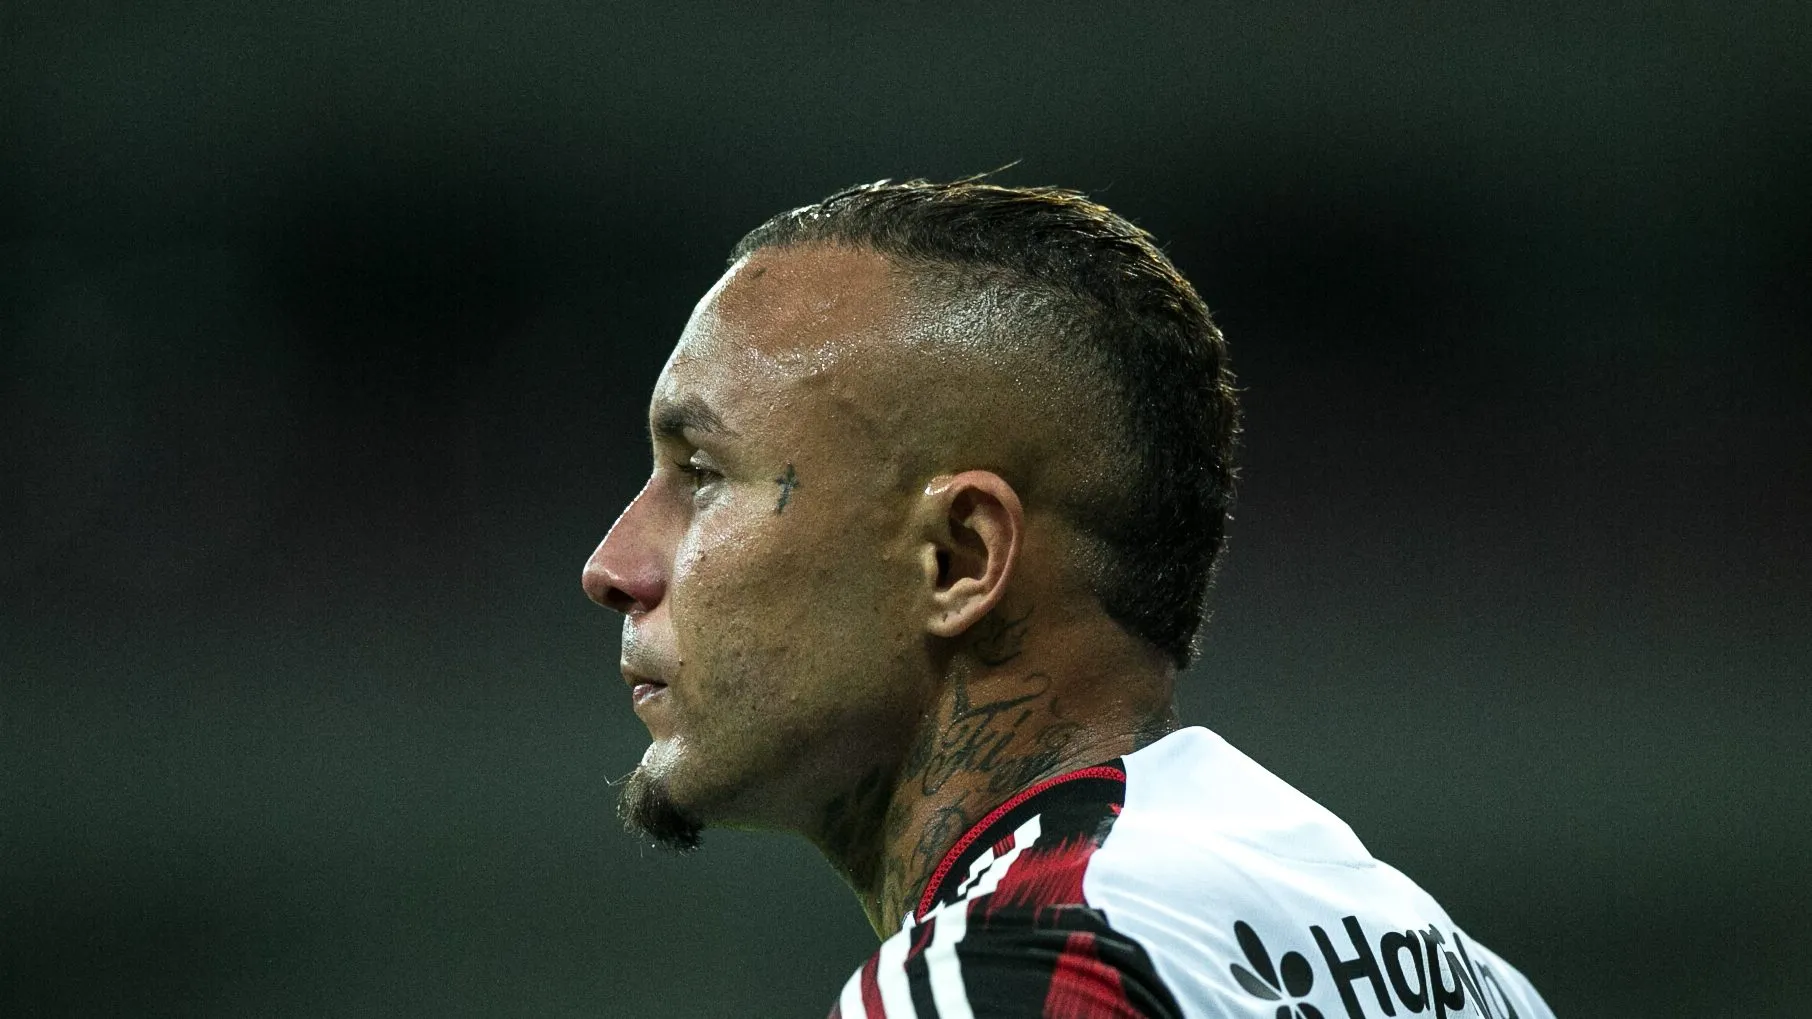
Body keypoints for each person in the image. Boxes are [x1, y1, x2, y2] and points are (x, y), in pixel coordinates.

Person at [582, 178, 1555, 1018]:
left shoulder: (1016, 965)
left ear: (960, 558)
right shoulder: (1458, 968)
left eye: (701, 472)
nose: (613, 564)